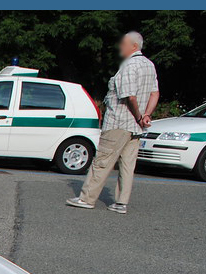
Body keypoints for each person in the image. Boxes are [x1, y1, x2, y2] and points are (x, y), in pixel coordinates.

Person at [67, 31, 159, 215]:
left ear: (133, 45)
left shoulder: (128, 66)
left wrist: (139, 115)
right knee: (127, 165)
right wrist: (147, 115)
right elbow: (154, 93)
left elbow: (129, 96)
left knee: (102, 161)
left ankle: (87, 198)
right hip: (136, 128)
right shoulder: (149, 65)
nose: (120, 46)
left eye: (123, 43)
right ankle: (121, 202)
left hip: (119, 122)